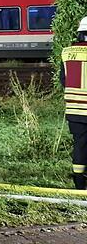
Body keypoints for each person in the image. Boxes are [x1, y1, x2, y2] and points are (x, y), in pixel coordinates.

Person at [62, 16, 87, 189]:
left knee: (80, 144)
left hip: (74, 109)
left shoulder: (66, 53)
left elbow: (63, 80)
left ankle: (79, 183)